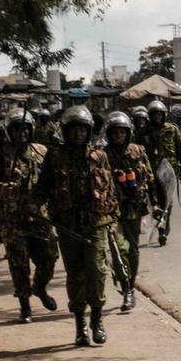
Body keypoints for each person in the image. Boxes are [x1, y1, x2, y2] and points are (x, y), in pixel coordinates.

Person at [36, 105, 118, 347]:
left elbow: (110, 189)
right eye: (74, 130)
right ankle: (80, 324)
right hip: (67, 225)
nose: (79, 134)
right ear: (66, 131)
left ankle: (97, 320)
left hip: (96, 223)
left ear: (89, 131)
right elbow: (42, 187)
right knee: (76, 275)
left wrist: (113, 219)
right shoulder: (55, 156)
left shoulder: (100, 156)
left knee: (97, 271)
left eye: (83, 130)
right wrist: (32, 204)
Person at [0, 109, 59, 323]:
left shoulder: (42, 151)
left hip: (40, 217)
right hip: (12, 219)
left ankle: (40, 287)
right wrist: (1, 188)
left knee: (49, 258)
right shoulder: (1, 155)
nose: (22, 133)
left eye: (25, 128)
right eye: (17, 129)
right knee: (19, 264)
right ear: (10, 132)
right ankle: (25, 306)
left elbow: (53, 180)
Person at [103, 111, 154, 311]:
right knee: (119, 249)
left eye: (122, 133)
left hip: (134, 208)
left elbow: (150, 178)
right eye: (115, 133)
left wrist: (157, 204)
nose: (118, 137)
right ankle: (126, 289)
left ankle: (130, 285)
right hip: (112, 210)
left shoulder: (138, 151)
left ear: (128, 133)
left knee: (132, 250)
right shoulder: (102, 155)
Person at [141, 99, 181, 246]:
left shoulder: (172, 130)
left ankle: (163, 231)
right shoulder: (143, 132)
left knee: (167, 202)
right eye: (154, 115)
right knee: (154, 202)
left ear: (164, 115)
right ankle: (157, 224)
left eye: (159, 115)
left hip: (168, 174)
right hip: (150, 173)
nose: (157, 118)